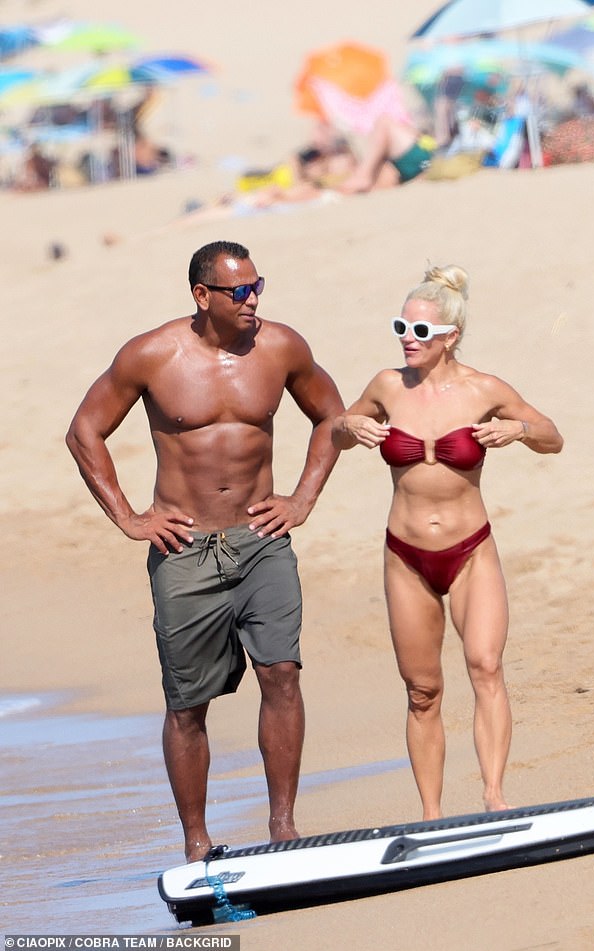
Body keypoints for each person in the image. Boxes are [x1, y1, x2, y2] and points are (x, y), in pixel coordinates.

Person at [66, 240, 344, 861]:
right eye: (239, 291)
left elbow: (332, 417)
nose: (253, 302)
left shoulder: (280, 347)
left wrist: (301, 500)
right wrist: (129, 517)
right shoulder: (151, 354)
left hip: (261, 541)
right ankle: (197, 843)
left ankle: (283, 827)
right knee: (187, 702)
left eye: (258, 287)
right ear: (202, 295)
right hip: (185, 549)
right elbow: (85, 430)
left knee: (282, 674)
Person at [332, 265, 563, 818]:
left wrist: (520, 430)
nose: (408, 341)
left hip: (470, 551)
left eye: (420, 332)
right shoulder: (387, 385)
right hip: (405, 556)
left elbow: (553, 437)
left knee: (484, 665)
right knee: (422, 690)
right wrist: (349, 427)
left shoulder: (485, 389)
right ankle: (432, 816)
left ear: (450, 337)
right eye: (401, 328)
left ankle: (494, 797)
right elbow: (338, 431)